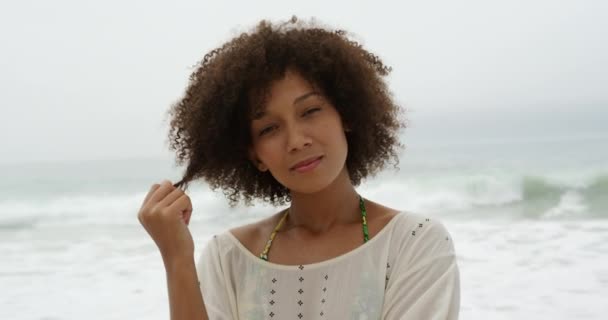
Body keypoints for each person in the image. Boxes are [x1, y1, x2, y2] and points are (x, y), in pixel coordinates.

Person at [138, 16, 460, 320]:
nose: (295, 140)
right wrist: (177, 257)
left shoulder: (413, 242)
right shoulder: (229, 258)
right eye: (269, 129)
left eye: (310, 111)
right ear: (255, 155)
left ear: (345, 115)